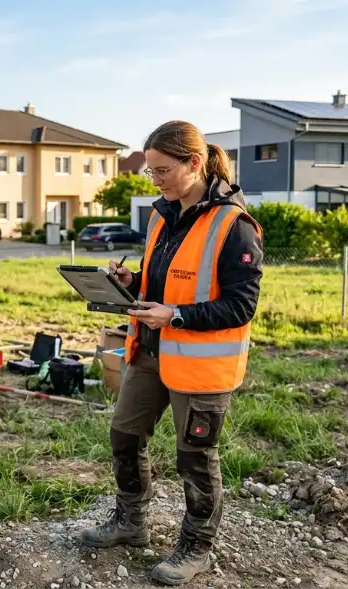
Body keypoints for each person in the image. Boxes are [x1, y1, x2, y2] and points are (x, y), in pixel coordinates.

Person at [78, 120, 263, 586]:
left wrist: (176, 316)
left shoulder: (234, 225)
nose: (154, 180)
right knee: (124, 433)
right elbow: (161, 283)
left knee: (195, 457)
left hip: (201, 366)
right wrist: (131, 283)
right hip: (151, 350)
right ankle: (130, 522)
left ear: (194, 163)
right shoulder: (163, 214)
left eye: (161, 170)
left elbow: (242, 305)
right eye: (150, 172)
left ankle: (197, 546)